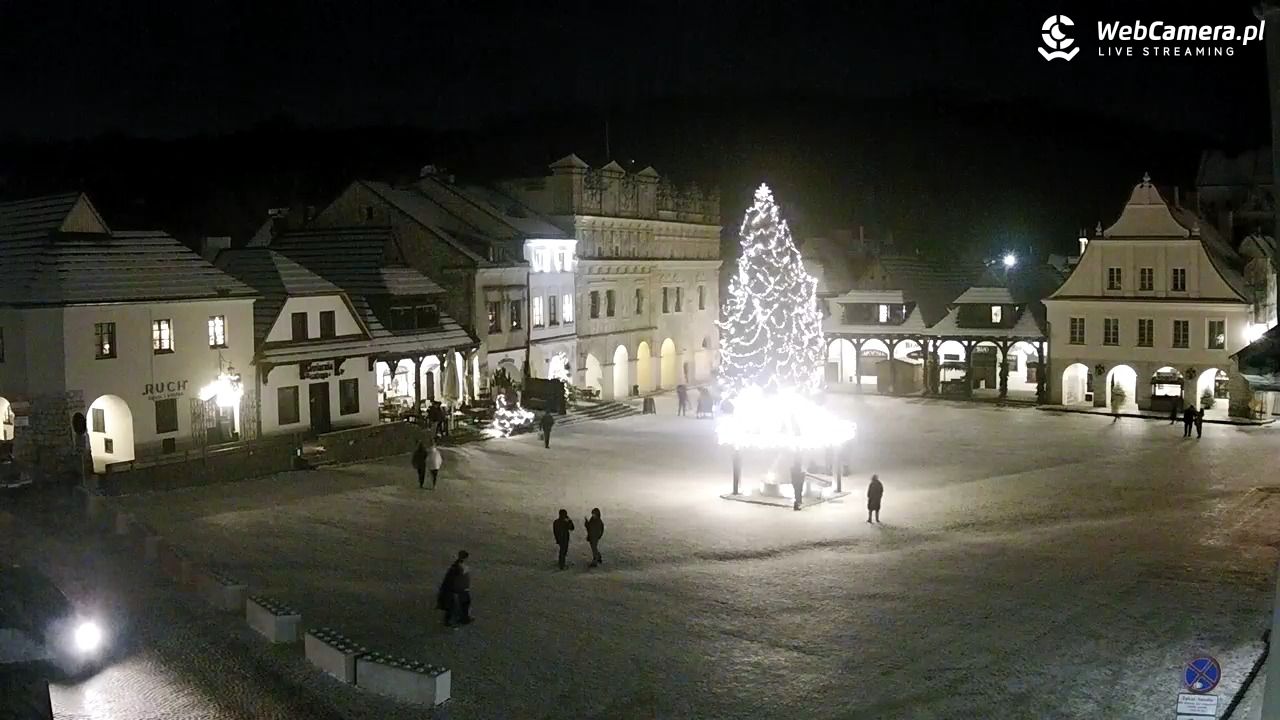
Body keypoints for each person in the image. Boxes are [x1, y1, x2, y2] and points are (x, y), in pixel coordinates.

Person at [437, 550, 473, 627]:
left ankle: (463, 618)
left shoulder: (456, 566)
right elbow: (459, 579)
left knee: (460, 604)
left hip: (458, 588)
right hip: (459, 589)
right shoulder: (459, 567)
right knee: (456, 605)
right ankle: (457, 620)